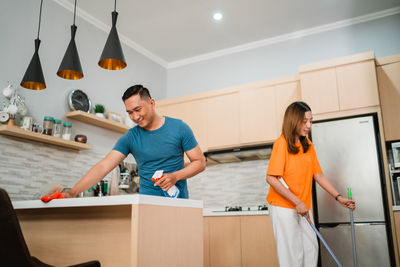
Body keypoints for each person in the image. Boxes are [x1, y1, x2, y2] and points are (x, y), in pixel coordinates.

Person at [62, 85, 206, 199]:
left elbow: (200, 162)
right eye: (130, 112)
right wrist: (72, 192)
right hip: (146, 205)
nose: (135, 117)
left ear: (152, 103)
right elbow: (103, 166)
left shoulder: (179, 128)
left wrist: (175, 176)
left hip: (178, 204)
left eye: (137, 109)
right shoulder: (130, 137)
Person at [266, 101, 355, 267]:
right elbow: (271, 178)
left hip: (303, 207)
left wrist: (339, 197)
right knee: (293, 257)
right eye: (304, 121)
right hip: (284, 207)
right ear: (293, 120)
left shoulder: (308, 146)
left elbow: (318, 175)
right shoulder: (282, 143)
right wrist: (297, 201)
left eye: (311, 121)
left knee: (311, 249)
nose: (309, 125)